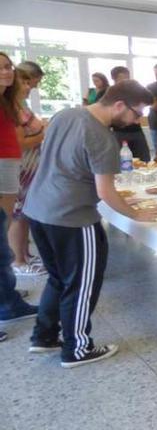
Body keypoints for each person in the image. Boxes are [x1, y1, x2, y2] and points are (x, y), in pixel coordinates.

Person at [24, 80, 157, 367]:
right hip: (72, 217)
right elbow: (106, 192)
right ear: (119, 105)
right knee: (82, 284)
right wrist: (137, 215)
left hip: (38, 210)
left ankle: (44, 336)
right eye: (137, 113)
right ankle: (78, 348)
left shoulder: (67, 114)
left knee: (59, 278)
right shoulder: (102, 138)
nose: (138, 119)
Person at [0, 53, 38, 343]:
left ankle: (7, 297)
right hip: (5, 165)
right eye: (1, 67)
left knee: (3, 233)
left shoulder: (8, 102)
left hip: (9, 166)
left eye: (8, 66)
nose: (7, 71)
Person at [9, 65, 47, 277]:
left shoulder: (20, 105)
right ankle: (18, 260)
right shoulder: (12, 109)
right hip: (21, 168)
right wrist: (44, 133)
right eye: (24, 82)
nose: (29, 86)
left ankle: (25, 253)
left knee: (25, 213)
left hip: (31, 167)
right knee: (18, 216)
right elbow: (20, 143)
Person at [110, 66, 150, 162]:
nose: (126, 80)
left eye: (128, 77)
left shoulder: (134, 92)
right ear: (114, 79)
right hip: (119, 132)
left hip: (136, 131)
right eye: (123, 78)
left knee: (144, 160)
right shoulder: (110, 94)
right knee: (122, 162)